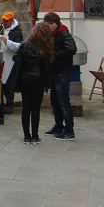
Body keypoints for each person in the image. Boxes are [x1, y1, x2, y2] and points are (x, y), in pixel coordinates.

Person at [14, 23, 53, 144]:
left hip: (24, 77)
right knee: (35, 108)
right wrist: (48, 83)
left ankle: (26, 135)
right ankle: (35, 135)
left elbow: (16, 58)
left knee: (26, 107)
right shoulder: (43, 47)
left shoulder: (25, 44)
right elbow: (46, 67)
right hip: (37, 78)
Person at [43, 12, 77, 140]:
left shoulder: (63, 34)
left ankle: (69, 130)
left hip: (63, 73)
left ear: (56, 24)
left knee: (64, 103)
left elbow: (71, 49)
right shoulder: (51, 35)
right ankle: (58, 126)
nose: (49, 26)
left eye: (51, 24)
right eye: (47, 24)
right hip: (54, 72)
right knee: (55, 102)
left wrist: (55, 55)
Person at [0, 11, 23, 114]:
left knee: (9, 83)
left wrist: (7, 42)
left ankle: (9, 104)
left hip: (11, 60)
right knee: (1, 82)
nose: (4, 22)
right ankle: (1, 103)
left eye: (6, 20)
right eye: (3, 20)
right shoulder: (0, 29)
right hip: (1, 58)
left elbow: (19, 46)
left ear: (11, 21)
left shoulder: (17, 32)